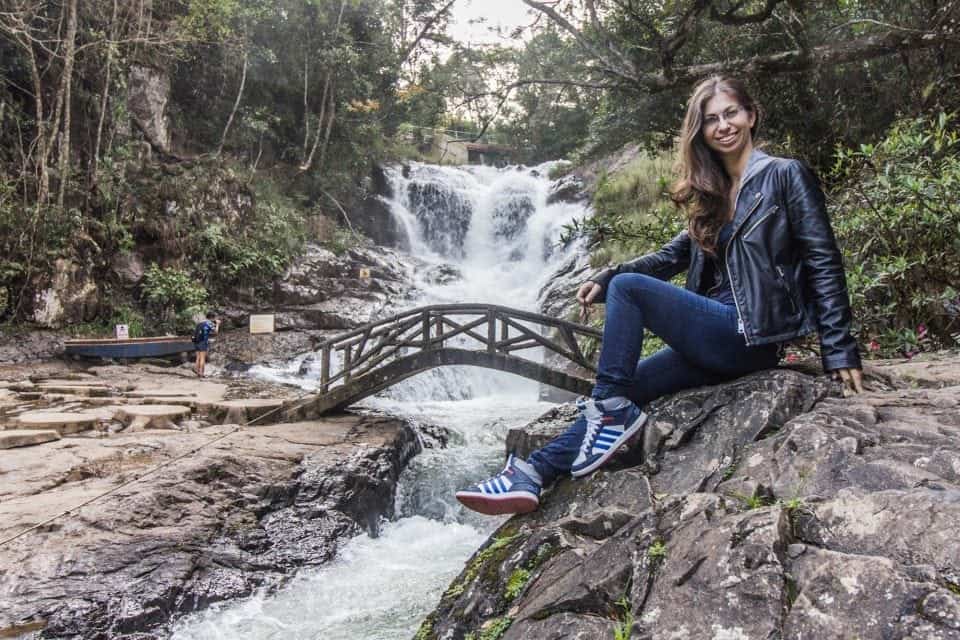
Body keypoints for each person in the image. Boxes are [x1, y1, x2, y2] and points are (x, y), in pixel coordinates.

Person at [456, 75, 864, 516]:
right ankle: (533, 474)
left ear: (750, 115)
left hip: (751, 334)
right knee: (626, 385)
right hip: (716, 337)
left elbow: (823, 259)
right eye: (711, 120)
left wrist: (839, 351)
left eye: (731, 113)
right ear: (700, 131)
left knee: (625, 326)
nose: (723, 125)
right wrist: (611, 274)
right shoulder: (712, 195)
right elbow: (668, 259)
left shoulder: (785, 175)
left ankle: (611, 417)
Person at [192, 312, 220, 378]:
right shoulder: (209, 323)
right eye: (215, 318)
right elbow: (216, 332)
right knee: (202, 358)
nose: (215, 319)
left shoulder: (200, 323)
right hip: (203, 342)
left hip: (196, 341)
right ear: (212, 318)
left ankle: (196, 369)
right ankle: (201, 373)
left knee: (198, 357)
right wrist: (218, 324)